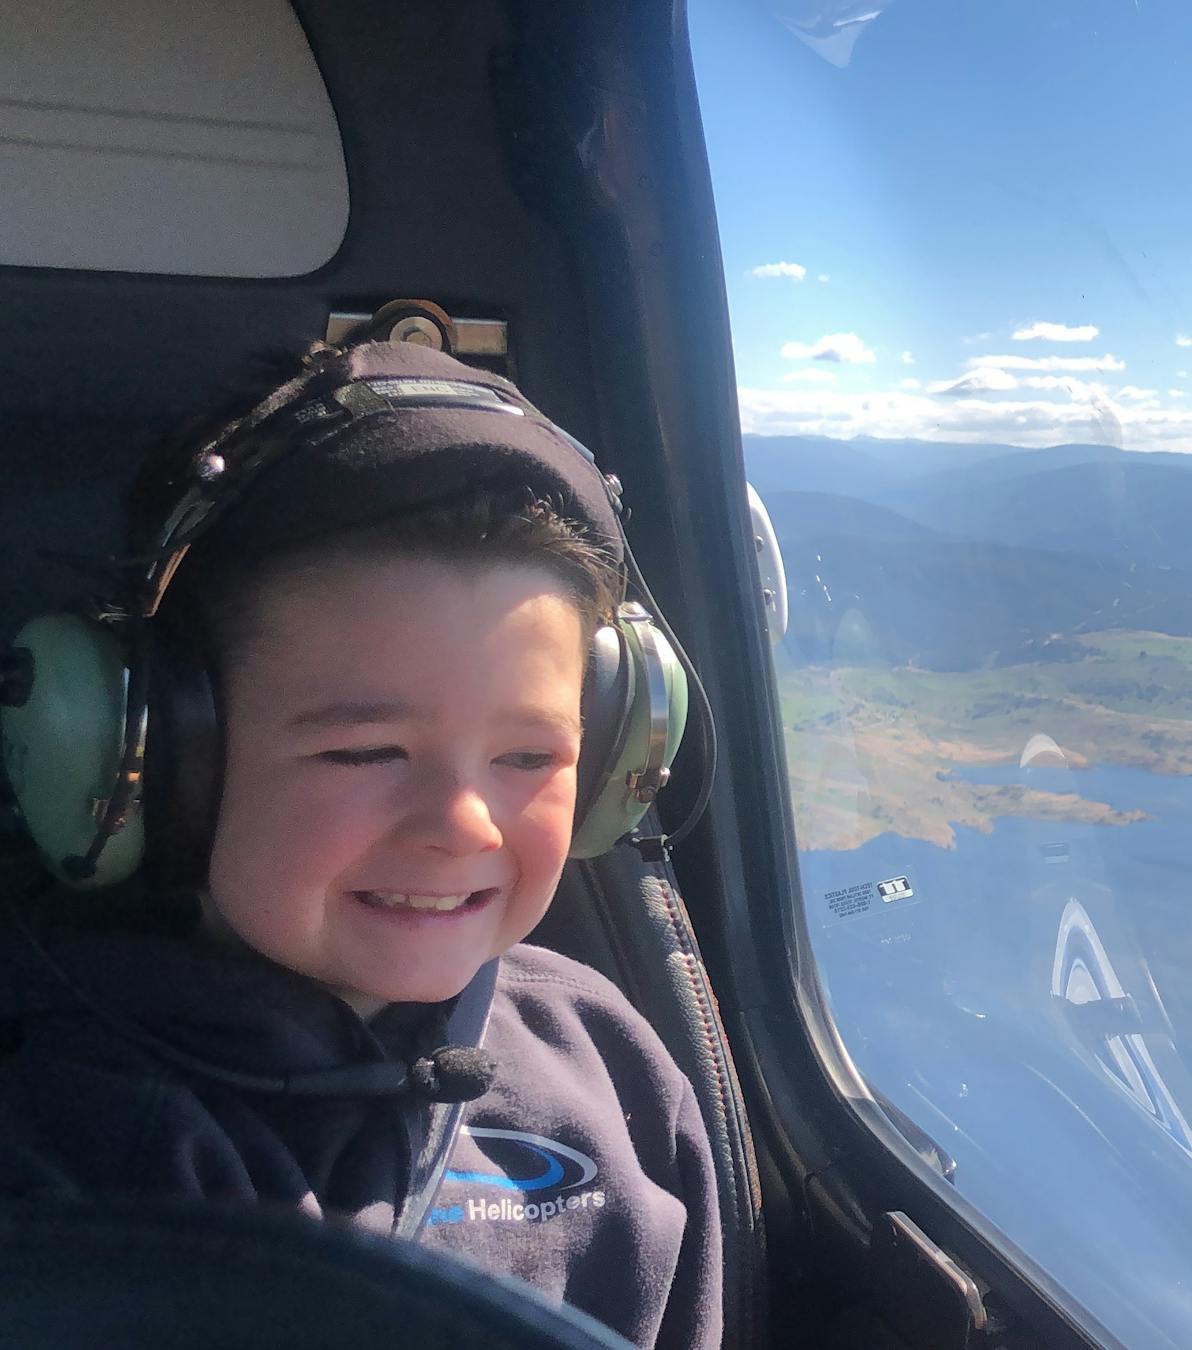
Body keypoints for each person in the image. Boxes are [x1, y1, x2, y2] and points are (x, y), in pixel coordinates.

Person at [0, 339, 723, 1350]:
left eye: (529, 756)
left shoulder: (613, 1069)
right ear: (154, 755)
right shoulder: (62, 1155)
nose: (462, 824)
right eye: (366, 751)